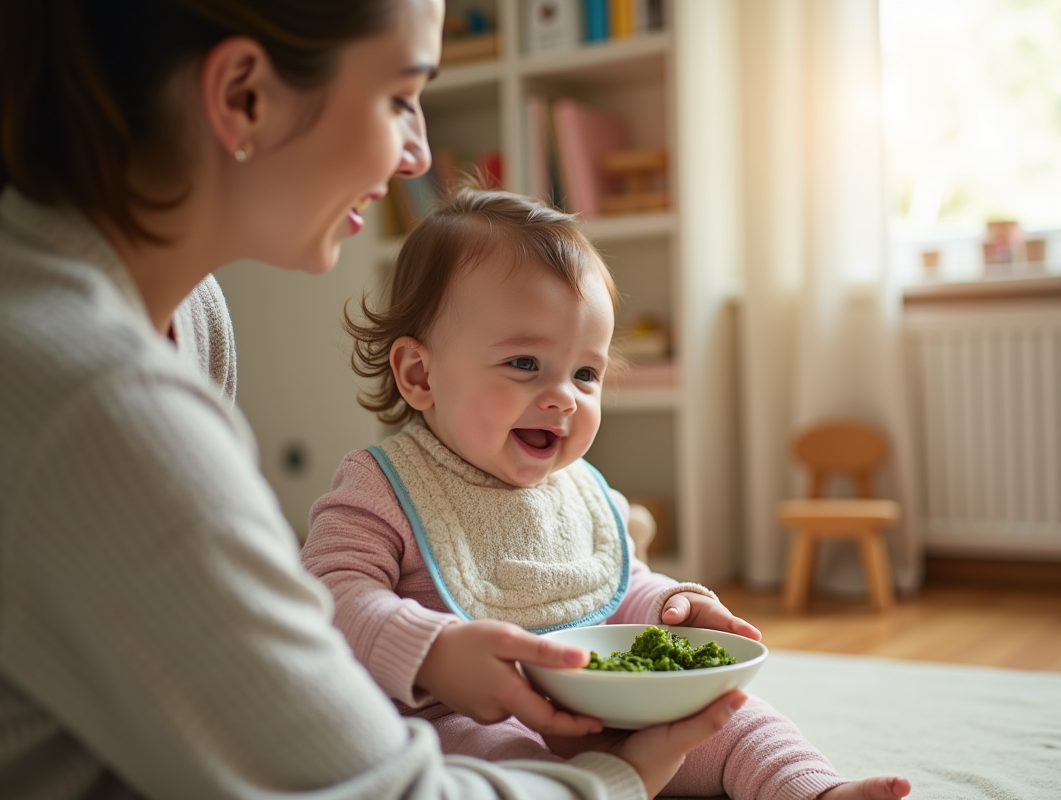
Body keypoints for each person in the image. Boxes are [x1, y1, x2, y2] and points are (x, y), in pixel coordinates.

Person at [0, 1, 746, 798]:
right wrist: (614, 778)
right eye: (400, 97)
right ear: (244, 96)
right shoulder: (95, 398)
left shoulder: (194, 313)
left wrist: (667, 608)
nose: (417, 152)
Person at [301, 187, 913, 800]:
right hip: (456, 719)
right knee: (507, 765)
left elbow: (616, 585)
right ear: (419, 374)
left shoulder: (584, 493)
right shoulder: (382, 486)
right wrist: (431, 652)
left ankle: (814, 791)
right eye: (524, 363)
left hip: (601, 707)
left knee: (734, 717)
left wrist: (667, 610)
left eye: (585, 373)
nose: (564, 396)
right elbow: (330, 598)